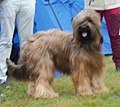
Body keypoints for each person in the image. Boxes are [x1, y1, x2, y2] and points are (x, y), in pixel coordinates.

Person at [0, 0, 36, 85]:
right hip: (8, 2)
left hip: (28, 2)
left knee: (27, 42)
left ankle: (26, 73)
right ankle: (1, 77)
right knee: (6, 41)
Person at [85, 0, 120, 72]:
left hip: (113, 4)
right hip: (93, 5)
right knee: (91, 37)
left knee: (116, 37)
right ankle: (91, 65)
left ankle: (119, 64)